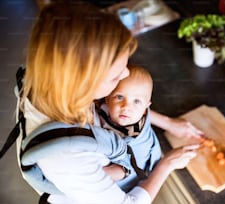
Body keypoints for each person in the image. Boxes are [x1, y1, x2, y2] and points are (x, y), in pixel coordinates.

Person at [17, 2, 203, 204]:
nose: (126, 74)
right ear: (82, 83)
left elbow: (111, 105)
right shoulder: (68, 159)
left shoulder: (51, 81)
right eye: (115, 78)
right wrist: (167, 164)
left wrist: (167, 122)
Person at [97, 65, 161, 191]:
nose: (126, 106)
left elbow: (122, 171)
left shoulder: (135, 140)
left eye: (136, 101)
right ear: (108, 98)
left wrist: (90, 171)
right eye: (120, 97)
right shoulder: (102, 107)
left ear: (145, 108)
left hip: (121, 181)